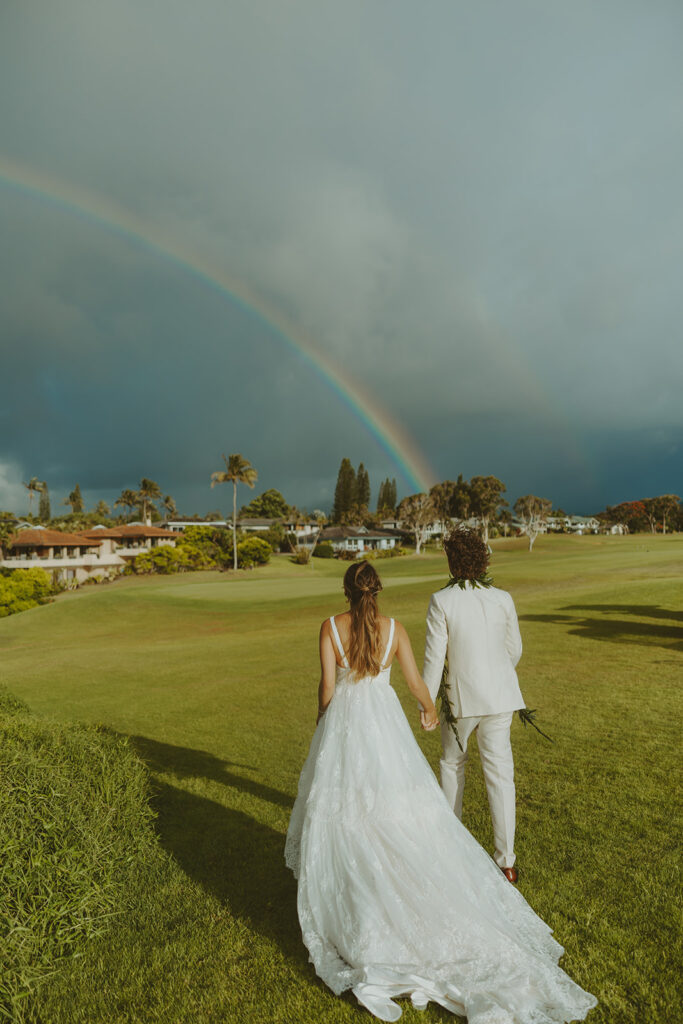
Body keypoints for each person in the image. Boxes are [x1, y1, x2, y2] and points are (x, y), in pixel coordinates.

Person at [285, 560, 596, 1023]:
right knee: (395, 803)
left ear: (347, 590)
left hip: (347, 725)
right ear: (378, 590)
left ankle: (360, 887)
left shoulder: (330, 627)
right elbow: (414, 683)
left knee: (349, 808)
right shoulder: (394, 630)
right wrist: (429, 711)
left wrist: (322, 726)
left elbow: (327, 687)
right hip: (384, 724)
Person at [422, 528, 525, 882]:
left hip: (461, 700)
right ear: (483, 560)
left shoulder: (442, 600)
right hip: (501, 696)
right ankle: (506, 862)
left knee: (452, 766)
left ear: (453, 561)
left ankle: (452, 849)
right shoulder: (503, 598)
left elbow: (435, 659)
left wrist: (427, 703)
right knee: (500, 774)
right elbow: (515, 650)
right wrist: (495, 676)